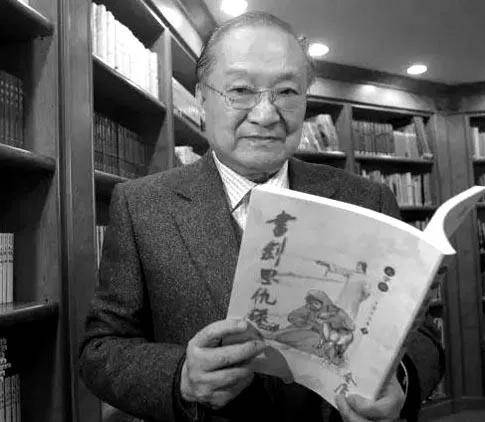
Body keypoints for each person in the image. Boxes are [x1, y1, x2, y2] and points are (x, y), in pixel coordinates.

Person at [79, 11, 444, 422]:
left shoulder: (367, 200)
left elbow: (419, 333)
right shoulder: (142, 206)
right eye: (241, 90)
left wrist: (399, 381)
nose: (266, 114)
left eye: (286, 91)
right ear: (202, 98)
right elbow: (101, 349)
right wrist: (180, 377)